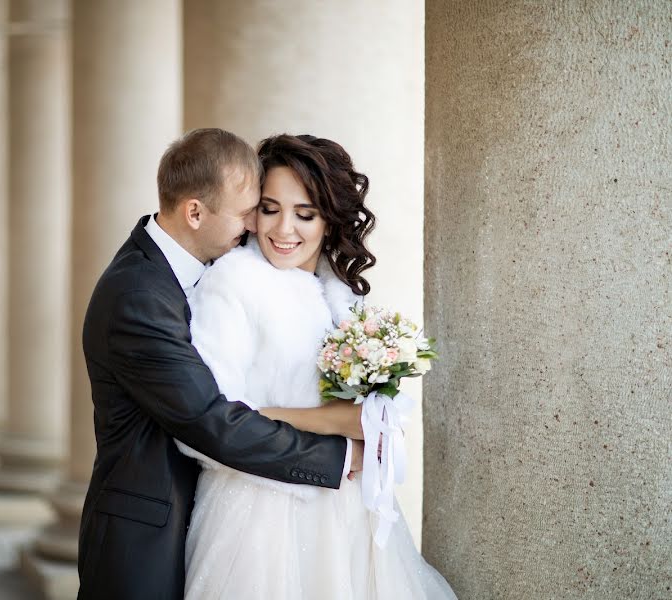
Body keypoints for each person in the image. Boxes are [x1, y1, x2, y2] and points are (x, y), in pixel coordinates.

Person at [77, 128, 365, 599]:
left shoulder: (189, 271)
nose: (257, 227)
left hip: (212, 509)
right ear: (195, 212)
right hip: (145, 533)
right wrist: (337, 456)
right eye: (251, 212)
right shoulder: (139, 296)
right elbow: (209, 419)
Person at [178, 134, 457, 598]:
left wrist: (370, 420)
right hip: (261, 517)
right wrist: (340, 426)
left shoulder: (339, 296)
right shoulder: (234, 283)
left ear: (329, 221)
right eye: (269, 209)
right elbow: (210, 424)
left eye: (305, 214)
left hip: (348, 513)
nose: (284, 228)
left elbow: (378, 419)